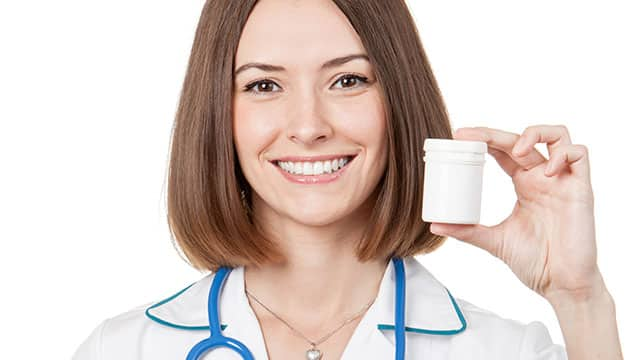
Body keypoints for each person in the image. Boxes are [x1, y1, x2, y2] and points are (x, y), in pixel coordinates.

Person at [72, 0, 624, 359]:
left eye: (348, 79)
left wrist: (581, 300)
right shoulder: (125, 349)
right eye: (264, 86)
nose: (309, 126)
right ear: (219, 114)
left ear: (398, 102)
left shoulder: (506, 352)